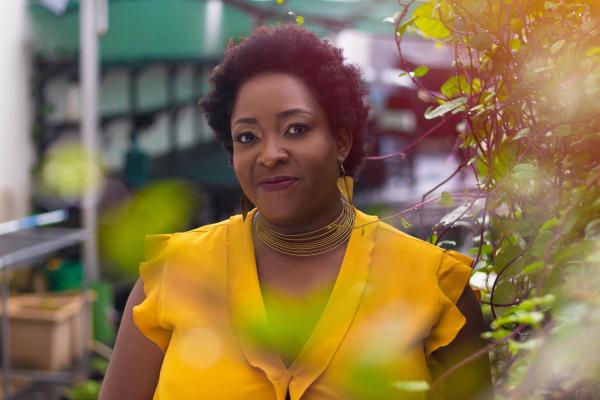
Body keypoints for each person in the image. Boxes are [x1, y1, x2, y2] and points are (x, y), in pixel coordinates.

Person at [99, 24, 491, 400]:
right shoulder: (171, 277)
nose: (269, 155)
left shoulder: (436, 287)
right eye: (247, 137)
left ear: (340, 141)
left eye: (296, 129)